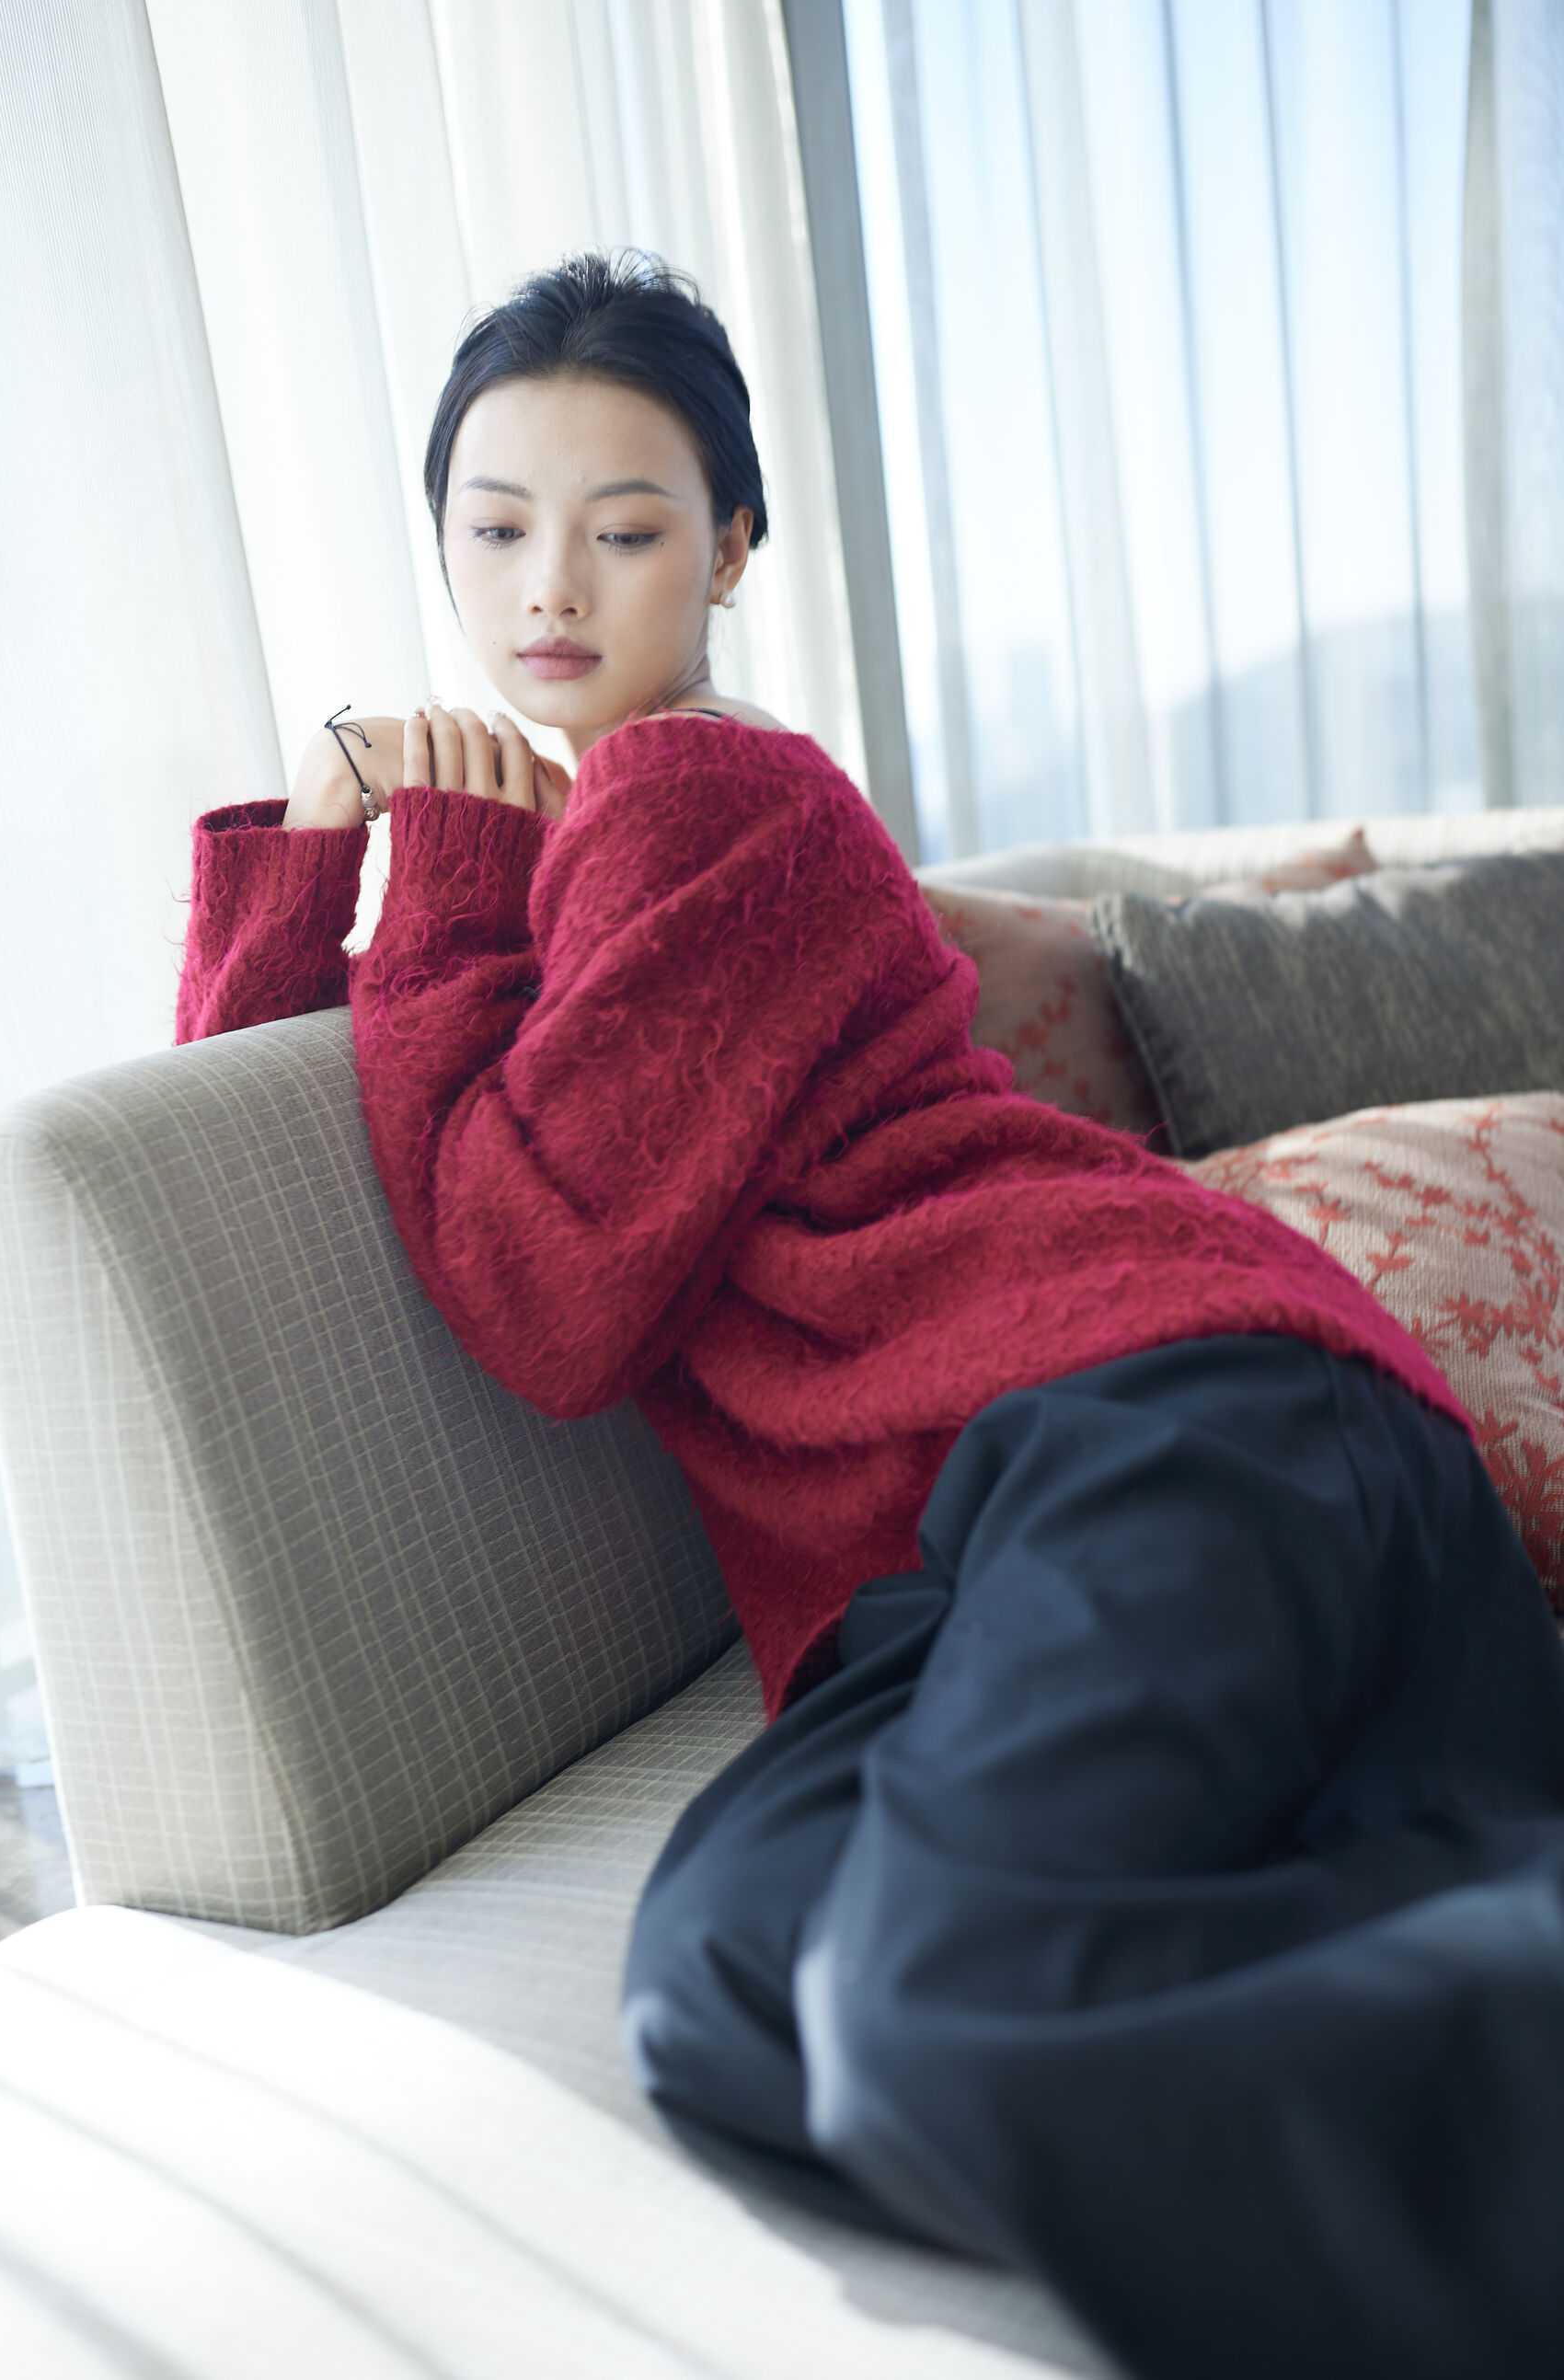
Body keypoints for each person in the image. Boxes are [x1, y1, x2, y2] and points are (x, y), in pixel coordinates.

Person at [174, 247, 1564, 2380]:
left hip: (1160, 1411)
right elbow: (250, 1117)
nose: (551, 589)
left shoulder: (706, 795)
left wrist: (438, 871)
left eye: (627, 531)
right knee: (725, 1988)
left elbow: (544, 1299)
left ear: (731, 549)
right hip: (943, 1562)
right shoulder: (581, 848)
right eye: (496, 527)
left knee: (933, 2007)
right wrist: (315, 827)